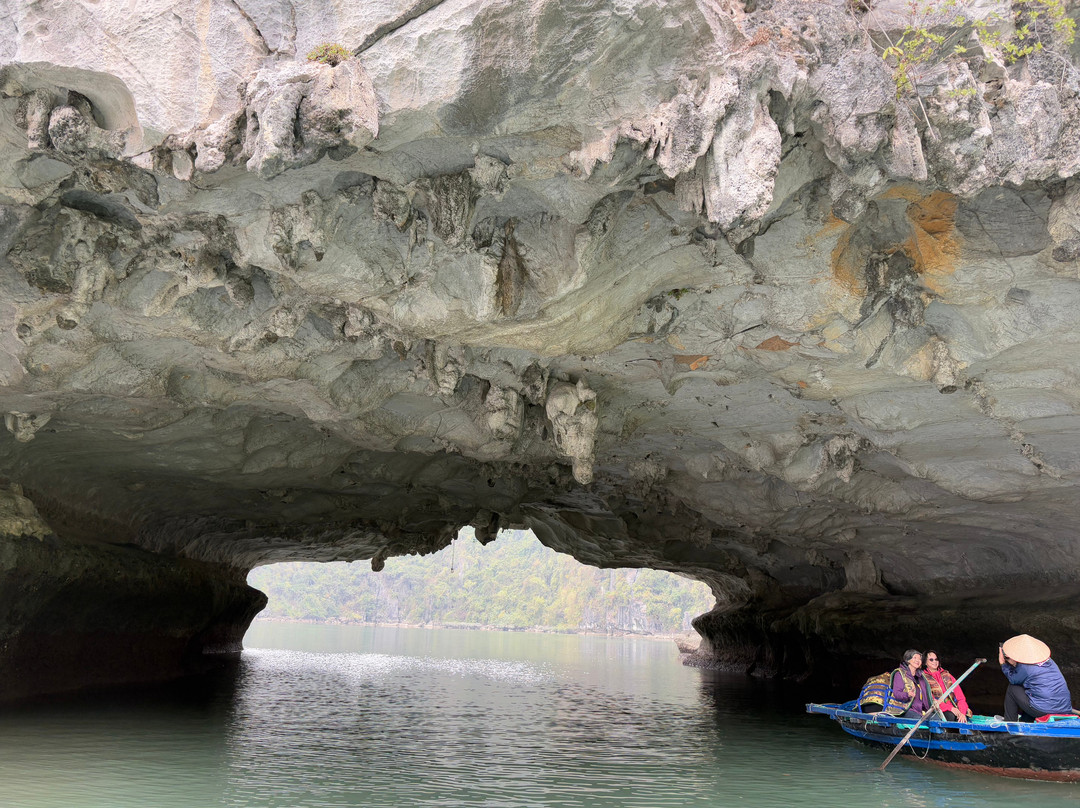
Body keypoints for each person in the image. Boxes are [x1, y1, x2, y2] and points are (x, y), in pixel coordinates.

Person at [999, 634, 1074, 722]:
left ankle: (1009, 722)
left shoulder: (1025, 667)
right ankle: (1026, 720)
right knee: (1031, 692)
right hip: (1065, 709)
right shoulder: (1049, 661)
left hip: (1044, 710)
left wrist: (1003, 664)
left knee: (1013, 688)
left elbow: (1013, 679)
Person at [923, 650, 971, 722]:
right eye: (931, 660)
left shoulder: (947, 676)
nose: (934, 661)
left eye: (936, 659)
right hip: (938, 710)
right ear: (925, 662)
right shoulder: (924, 678)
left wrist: (962, 713)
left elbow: (960, 697)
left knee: (963, 718)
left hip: (955, 708)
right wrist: (950, 708)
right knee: (951, 716)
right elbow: (930, 701)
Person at [887, 649, 931, 717]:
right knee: (918, 719)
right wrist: (908, 694)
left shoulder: (921, 676)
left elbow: (927, 695)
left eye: (919, 659)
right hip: (905, 709)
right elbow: (897, 694)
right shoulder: (900, 674)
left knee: (937, 719)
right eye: (914, 658)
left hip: (921, 710)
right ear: (908, 660)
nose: (917, 660)